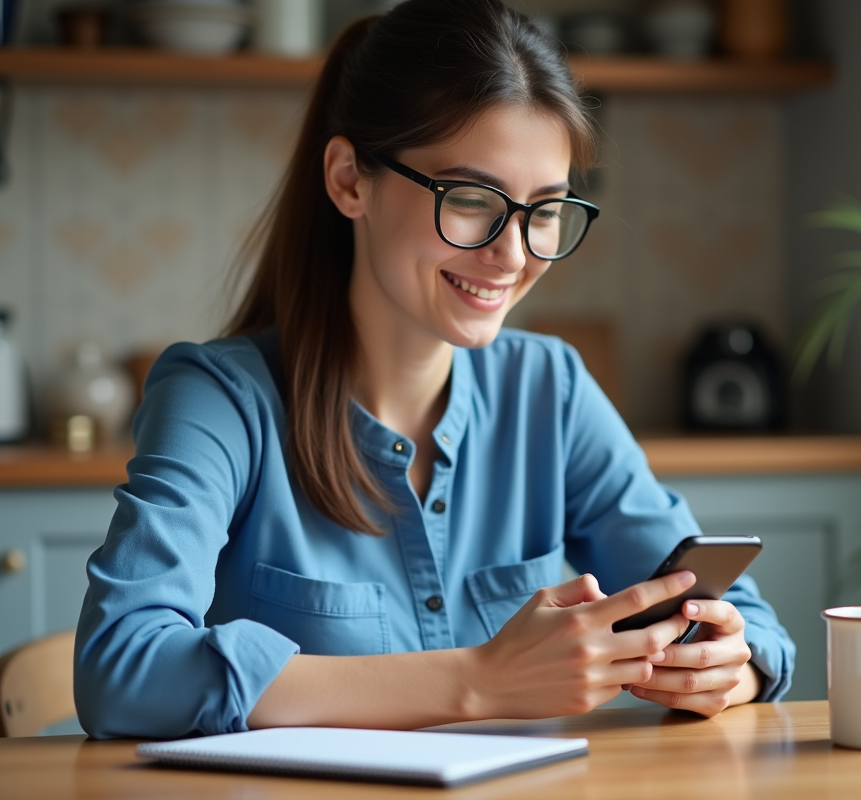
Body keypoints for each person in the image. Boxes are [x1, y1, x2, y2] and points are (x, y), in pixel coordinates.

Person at [73, 0, 795, 739]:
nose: (512, 255)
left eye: (543, 211)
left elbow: (751, 625)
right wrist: (481, 682)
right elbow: (122, 669)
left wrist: (731, 666)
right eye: (473, 200)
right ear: (351, 179)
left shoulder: (551, 390)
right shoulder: (220, 399)